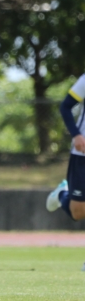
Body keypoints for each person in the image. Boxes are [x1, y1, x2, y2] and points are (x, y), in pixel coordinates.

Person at [46, 73, 85, 226]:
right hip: (82, 153)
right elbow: (65, 106)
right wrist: (76, 135)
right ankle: (62, 194)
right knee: (78, 212)